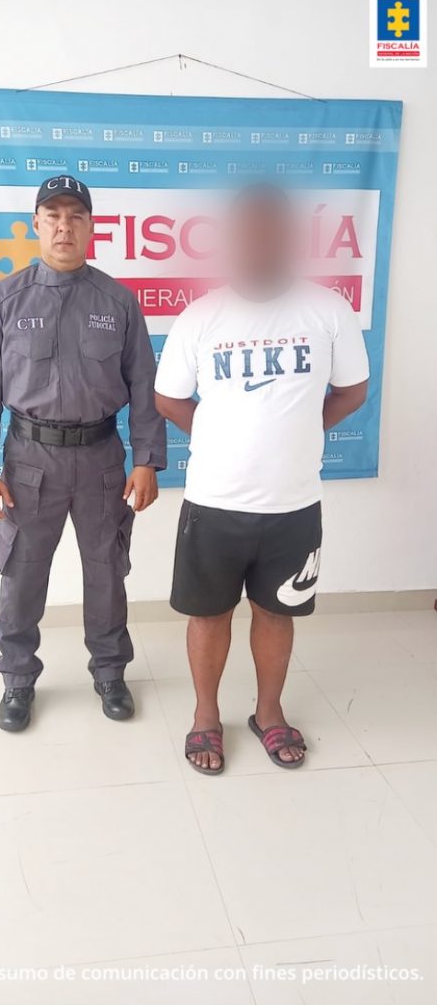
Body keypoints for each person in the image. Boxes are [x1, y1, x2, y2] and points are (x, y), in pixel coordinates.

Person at [154, 184, 369, 774]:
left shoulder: (328, 309)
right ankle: (205, 717)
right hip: (213, 502)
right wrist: (218, 438)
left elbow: (353, 390)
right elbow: (168, 398)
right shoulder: (201, 317)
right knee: (209, 614)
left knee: (278, 613)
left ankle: (268, 714)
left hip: (294, 504)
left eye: (272, 228)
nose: (260, 240)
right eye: (248, 229)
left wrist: (306, 428)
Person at [0, 174, 166, 732]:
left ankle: (109, 671)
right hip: (29, 459)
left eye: (75, 216)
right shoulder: (5, 299)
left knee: (106, 571)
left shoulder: (118, 302)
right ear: (36, 225)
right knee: (23, 574)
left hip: (102, 457)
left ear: (91, 227)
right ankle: (18, 680)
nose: (63, 226)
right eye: (52, 216)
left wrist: (147, 460)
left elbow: (145, 388)